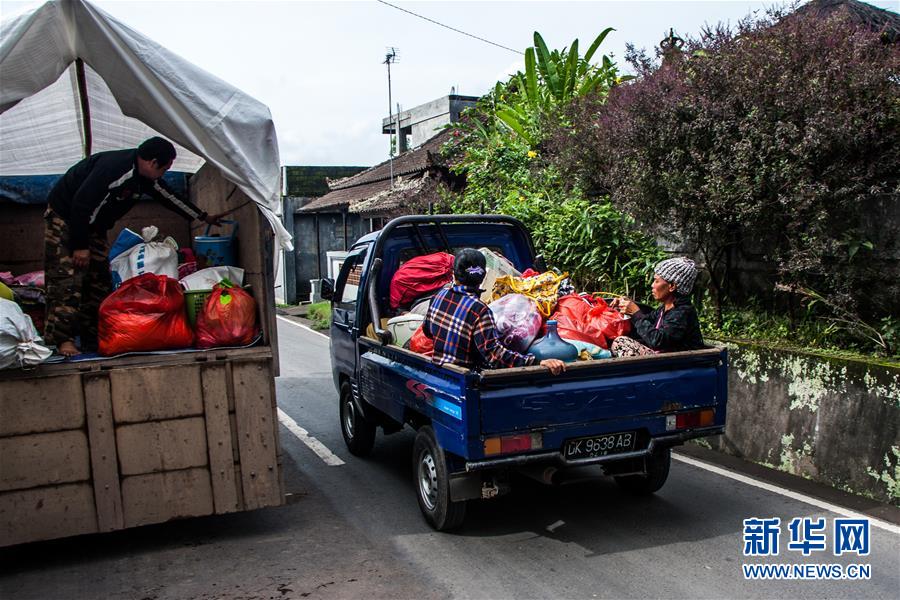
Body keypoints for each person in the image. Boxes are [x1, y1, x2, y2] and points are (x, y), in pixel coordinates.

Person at [43, 137, 223, 357]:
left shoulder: (145, 177)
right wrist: (80, 246)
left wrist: (203, 217)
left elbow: (168, 196)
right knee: (68, 278)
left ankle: (94, 337)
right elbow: (81, 204)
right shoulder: (115, 169)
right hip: (67, 219)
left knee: (99, 281)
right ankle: (63, 340)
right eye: (164, 168)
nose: (164, 174)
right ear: (152, 162)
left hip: (94, 227)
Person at [423, 248, 566, 375]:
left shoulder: (439, 295)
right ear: (483, 275)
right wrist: (535, 362)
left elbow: (428, 331)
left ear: (454, 274)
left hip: (440, 372)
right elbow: (494, 356)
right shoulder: (479, 310)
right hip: (467, 378)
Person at [609, 257, 704, 357]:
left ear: (672, 286)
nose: (652, 285)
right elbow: (646, 322)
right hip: (665, 359)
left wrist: (636, 313)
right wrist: (627, 307)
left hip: (677, 364)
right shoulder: (664, 309)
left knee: (620, 343)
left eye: (656, 281)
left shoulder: (682, 312)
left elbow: (658, 341)